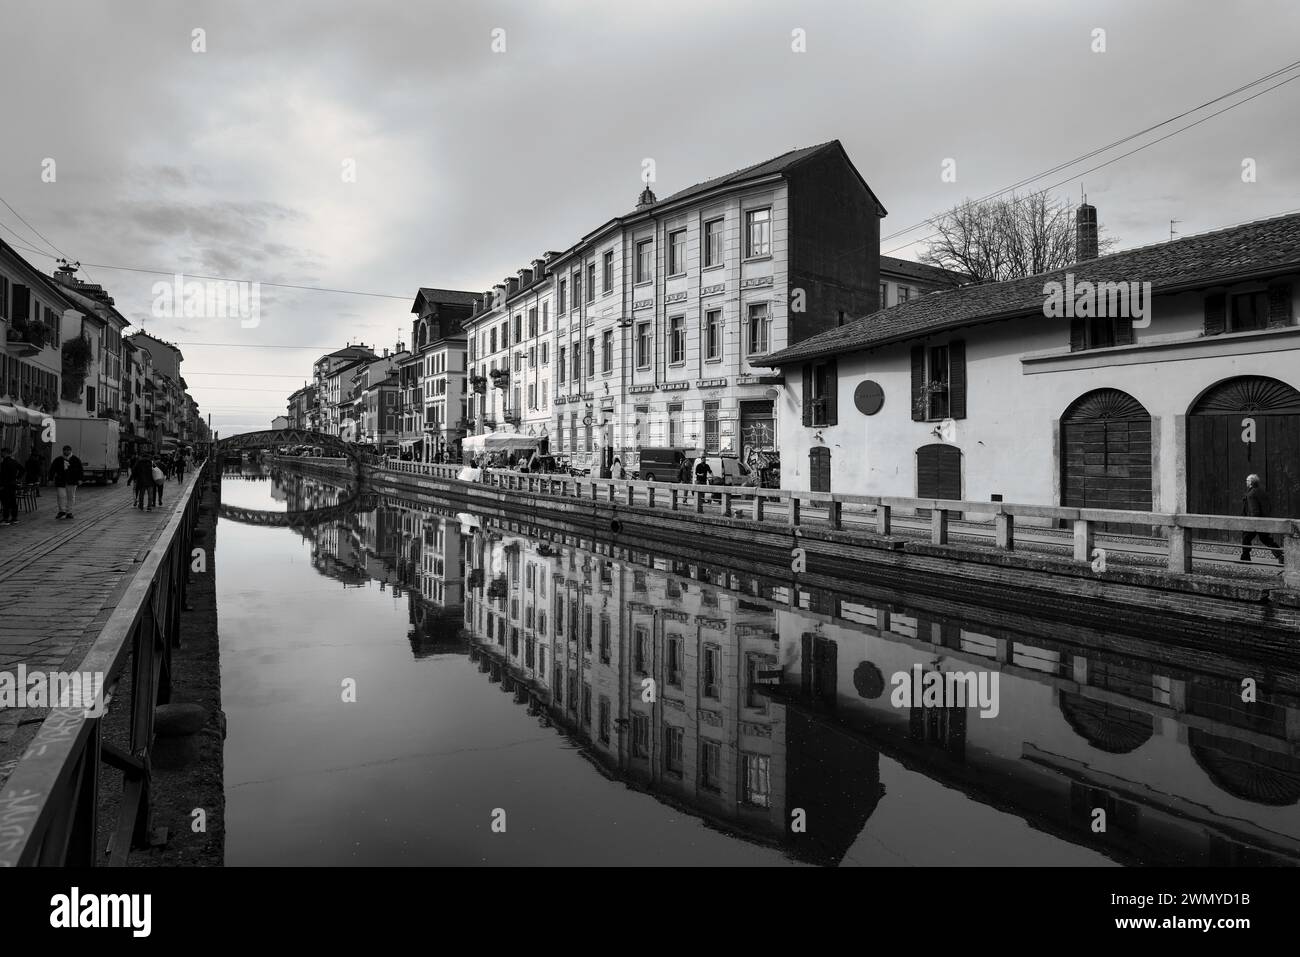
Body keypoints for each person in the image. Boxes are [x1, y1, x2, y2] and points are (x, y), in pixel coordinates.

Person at [1241, 473, 1285, 564]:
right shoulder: (1262, 491)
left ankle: (1245, 557)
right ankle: (1281, 556)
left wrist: (1251, 522)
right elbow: (1268, 506)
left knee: (1246, 538)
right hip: (1264, 520)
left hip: (1254, 521)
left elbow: (1254, 510)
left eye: (1247, 480)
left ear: (1251, 482)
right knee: (1266, 539)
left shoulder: (1251, 494)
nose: (1246, 482)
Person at [48, 445, 84, 520]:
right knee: (61, 496)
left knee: (70, 497)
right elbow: (52, 469)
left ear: (70, 451)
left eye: (68, 450)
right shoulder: (58, 459)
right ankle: (62, 511)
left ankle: (69, 512)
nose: (66, 452)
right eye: (65, 450)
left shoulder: (75, 459)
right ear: (63, 451)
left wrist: (80, 479)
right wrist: (50, 479)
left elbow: (80, 469)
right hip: (60, 481)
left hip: (72, 481)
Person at [0, 447, 22, 525]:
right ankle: (14, 518)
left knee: (5, 502)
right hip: (12, 484)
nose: (1, 454)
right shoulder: (14, 462)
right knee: (13, 501)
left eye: (2, 452)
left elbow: (3, 475)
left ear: (5, 453)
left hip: (5, 485)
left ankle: (6, 518)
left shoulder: (4, 463)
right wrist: (17, 478)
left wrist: (1, 485)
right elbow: (22, 469)